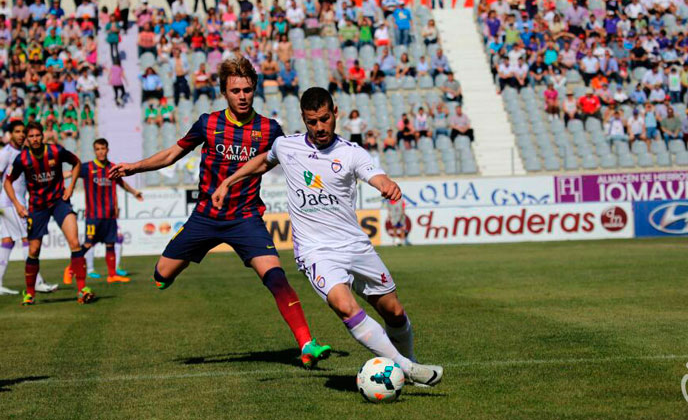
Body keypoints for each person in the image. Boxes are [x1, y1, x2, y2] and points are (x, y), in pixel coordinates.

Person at [211, 87, 444, 388]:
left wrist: (386, 184)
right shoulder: (286, 146)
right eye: (312, 122)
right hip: (316, 251)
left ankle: (409, 364)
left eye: (324, 119)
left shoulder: (351, 152)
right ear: (303, 120)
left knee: (394, 312)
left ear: (335, 113)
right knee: (343, 304)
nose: (320, 127)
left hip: (355, 246)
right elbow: (262, 161)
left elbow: (376, 175)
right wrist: (229, 181)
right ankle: (407, 368)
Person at [109, 57, 332, 368]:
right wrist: (135, 166)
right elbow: (174, 153)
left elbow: (297, 157)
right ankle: (180, 256)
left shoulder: (269, 129)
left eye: (247, 90)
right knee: (161, 277)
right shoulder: (208, 123)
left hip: (245, 218)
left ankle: (307, 343)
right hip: (205, 217)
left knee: (275, 276)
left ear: (254, 91)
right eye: (235, 90)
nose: (242, 96)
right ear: (224, 93)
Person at [3, 122, 94, 305]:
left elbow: (76, 163)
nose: (35, 139)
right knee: (34, 250)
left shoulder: (56, 151)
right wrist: (17, 205)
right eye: (31, 137)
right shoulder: (22, 159)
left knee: (75, 242)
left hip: (60, 202)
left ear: (43, 136)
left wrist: (71, 186)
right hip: (37, 206)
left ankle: (82, 290)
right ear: (27, 139)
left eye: (38, 135)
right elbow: (7, 182)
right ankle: (29, 294)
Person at [67, 139, 143, 283]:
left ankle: (112, 275)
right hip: (93, 215)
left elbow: (121, 183)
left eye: (103, 148)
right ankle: (71, 268)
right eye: (97, 149)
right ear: (94, 151)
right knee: (88, 244)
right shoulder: (87, 167)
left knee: (110, 244)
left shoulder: (113, 167)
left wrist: (134, 192)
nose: (101, 151)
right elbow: (71, 173)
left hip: (109, 214)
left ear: (108, 149)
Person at [0, 121, 58, 295]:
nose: (21, 135)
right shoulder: (6, 153)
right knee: (29, 239)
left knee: (7, 241)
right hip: (10, 203)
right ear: (10, 134)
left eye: (22, 132)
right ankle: (37, 282)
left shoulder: (25, 154)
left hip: (13, 203)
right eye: (17, 132)